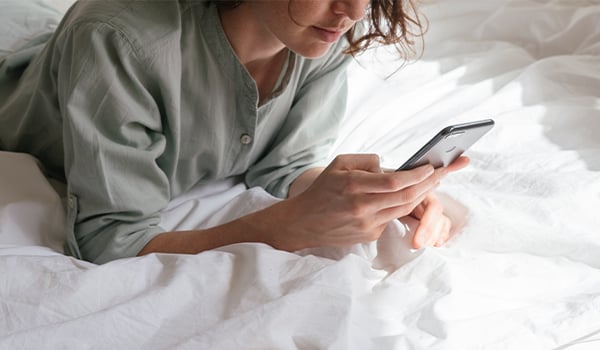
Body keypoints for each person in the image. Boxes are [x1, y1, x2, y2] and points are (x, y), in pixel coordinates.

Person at [0, 0, 468, 264]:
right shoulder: (120, 40)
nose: (355, 9)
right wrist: (283, 228)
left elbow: (285, 163)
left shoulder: (319, 33)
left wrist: (373, 193)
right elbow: (111, 240)